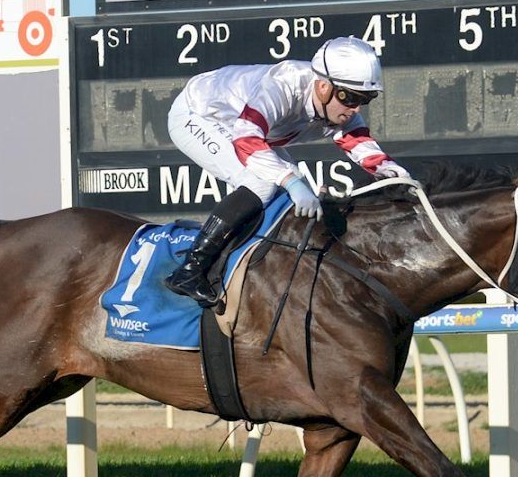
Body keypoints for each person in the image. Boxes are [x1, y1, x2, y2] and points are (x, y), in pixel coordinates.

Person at [164, 35, 413, 307]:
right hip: (199, 113)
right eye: (350, 97)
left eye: (366, 99)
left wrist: (395, 173)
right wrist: (290, 180)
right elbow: (246, 139)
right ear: (323, 87)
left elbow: (358, 142)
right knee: (263, 183)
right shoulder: (284, 86)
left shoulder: (340, 104)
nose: (356, 108)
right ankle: (190, 269)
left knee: (291, 191)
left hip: (242, 125)